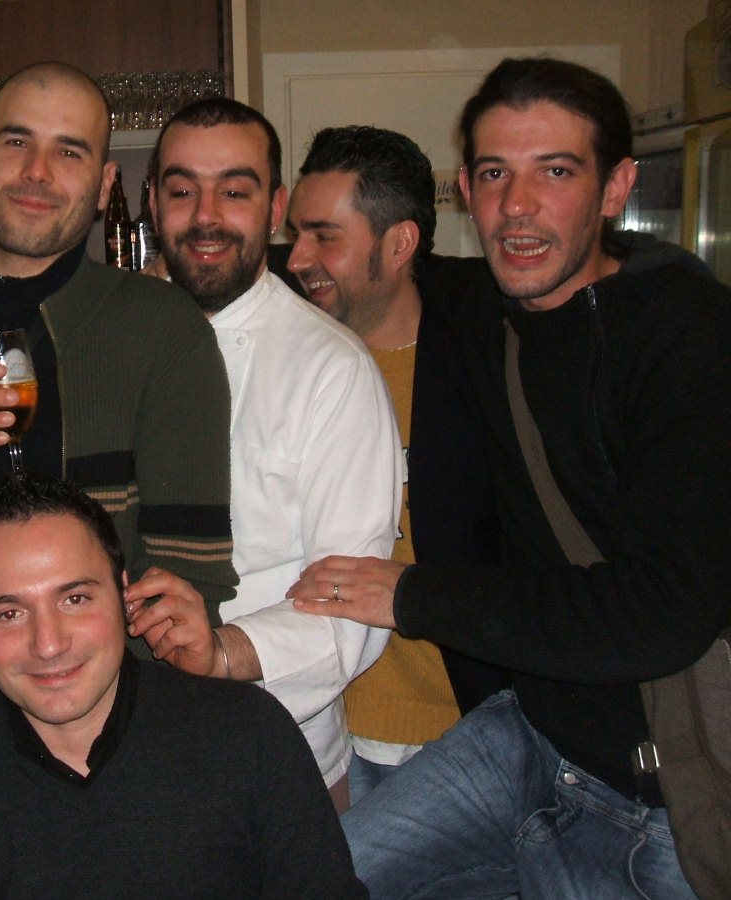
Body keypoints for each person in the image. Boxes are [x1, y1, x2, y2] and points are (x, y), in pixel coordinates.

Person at [287, 57, 731, 897]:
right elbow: (349, 270)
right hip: (527, 737)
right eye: (495, 174)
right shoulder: (482, 305)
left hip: (653, 802)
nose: (517, 206)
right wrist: (182, 292)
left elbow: (659, 615)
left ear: (615, 187)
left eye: (555, 172)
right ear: (466, 190)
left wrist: (411, 595)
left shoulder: (688, 341)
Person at [0, 62, 236, 753]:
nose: (37, 172)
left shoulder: (162, 327)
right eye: (17, 142)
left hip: (99, 749)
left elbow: (188, 579)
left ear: (104, 187)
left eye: (70, 151)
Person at [0, 471, 366, 898]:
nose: (47, 644)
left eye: (74, 599)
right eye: (10, 613)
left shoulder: (247, 736)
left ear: (124, 594)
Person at [125, 97, 401, 810]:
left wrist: (221, 651)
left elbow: (352, 607)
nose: (206, 216)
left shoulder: (332, 370)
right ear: (152, 202)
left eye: (235, 191)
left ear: (275, 207)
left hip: (277, 765)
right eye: (182, 191)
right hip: (117, 754)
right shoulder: (106, 343)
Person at [284, 125, 506, 804]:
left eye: (325, 237)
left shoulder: (485, 370)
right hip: (310, 731)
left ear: (401, 244)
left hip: (449, 738)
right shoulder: (291, 360)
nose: (298, 257)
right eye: (296, 233)